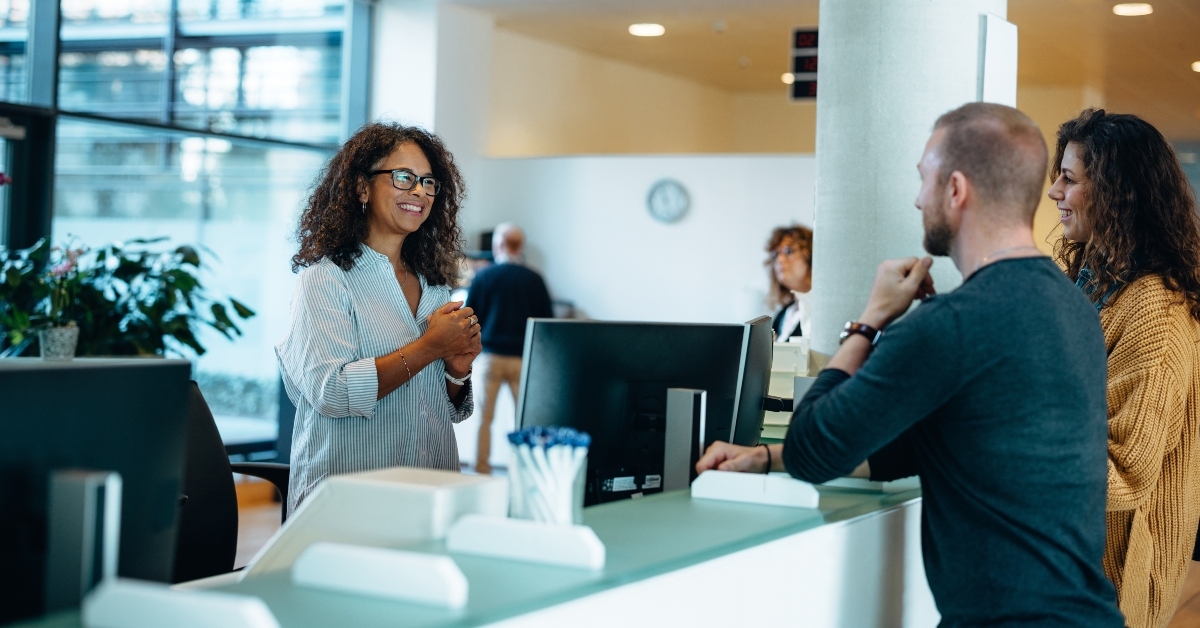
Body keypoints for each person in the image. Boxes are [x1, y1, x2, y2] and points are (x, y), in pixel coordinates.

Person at [697, 103, 1124, 626]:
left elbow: (812, 448)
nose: (918, 198)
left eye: (924, 178)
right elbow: (909, 450)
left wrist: (869, 321)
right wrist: (765, 458)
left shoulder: (950, 324)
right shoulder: (1073, 308)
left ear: (956, 189)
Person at [277, 122, 481, 515]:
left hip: (431, 493)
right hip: (347, 502)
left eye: (428, 182)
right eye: (404, 177)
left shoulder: (434, 286)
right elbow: (332, 392)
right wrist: (429, 347)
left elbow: (441, 409)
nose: (419, 191)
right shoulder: (325, 280)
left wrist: (457, 372)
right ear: (361, 187)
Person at [1048, 108, 1200, 628]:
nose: (1054, 192)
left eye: (1069, 179)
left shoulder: (1154, 308)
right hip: (1076, 569)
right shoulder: (1097, 284)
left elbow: (1123, 474)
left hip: (1113, 587)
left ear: (1117, 192)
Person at [464, 223, 553, 474]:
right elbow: (546, 323)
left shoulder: (484, 276)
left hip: (490, 358)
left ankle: (481, 468)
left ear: (498, 245)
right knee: (523, 420)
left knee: (484, 419)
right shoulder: (534, 279)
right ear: (520, 246)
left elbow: (470, 317)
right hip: (522, 360)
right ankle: (522, 470)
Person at [766, 225, 814, 340]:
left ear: (810, 256)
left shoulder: (821, 313)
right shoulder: (781, 316)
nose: (780, 259)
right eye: (775, 254)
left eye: (788, 251)